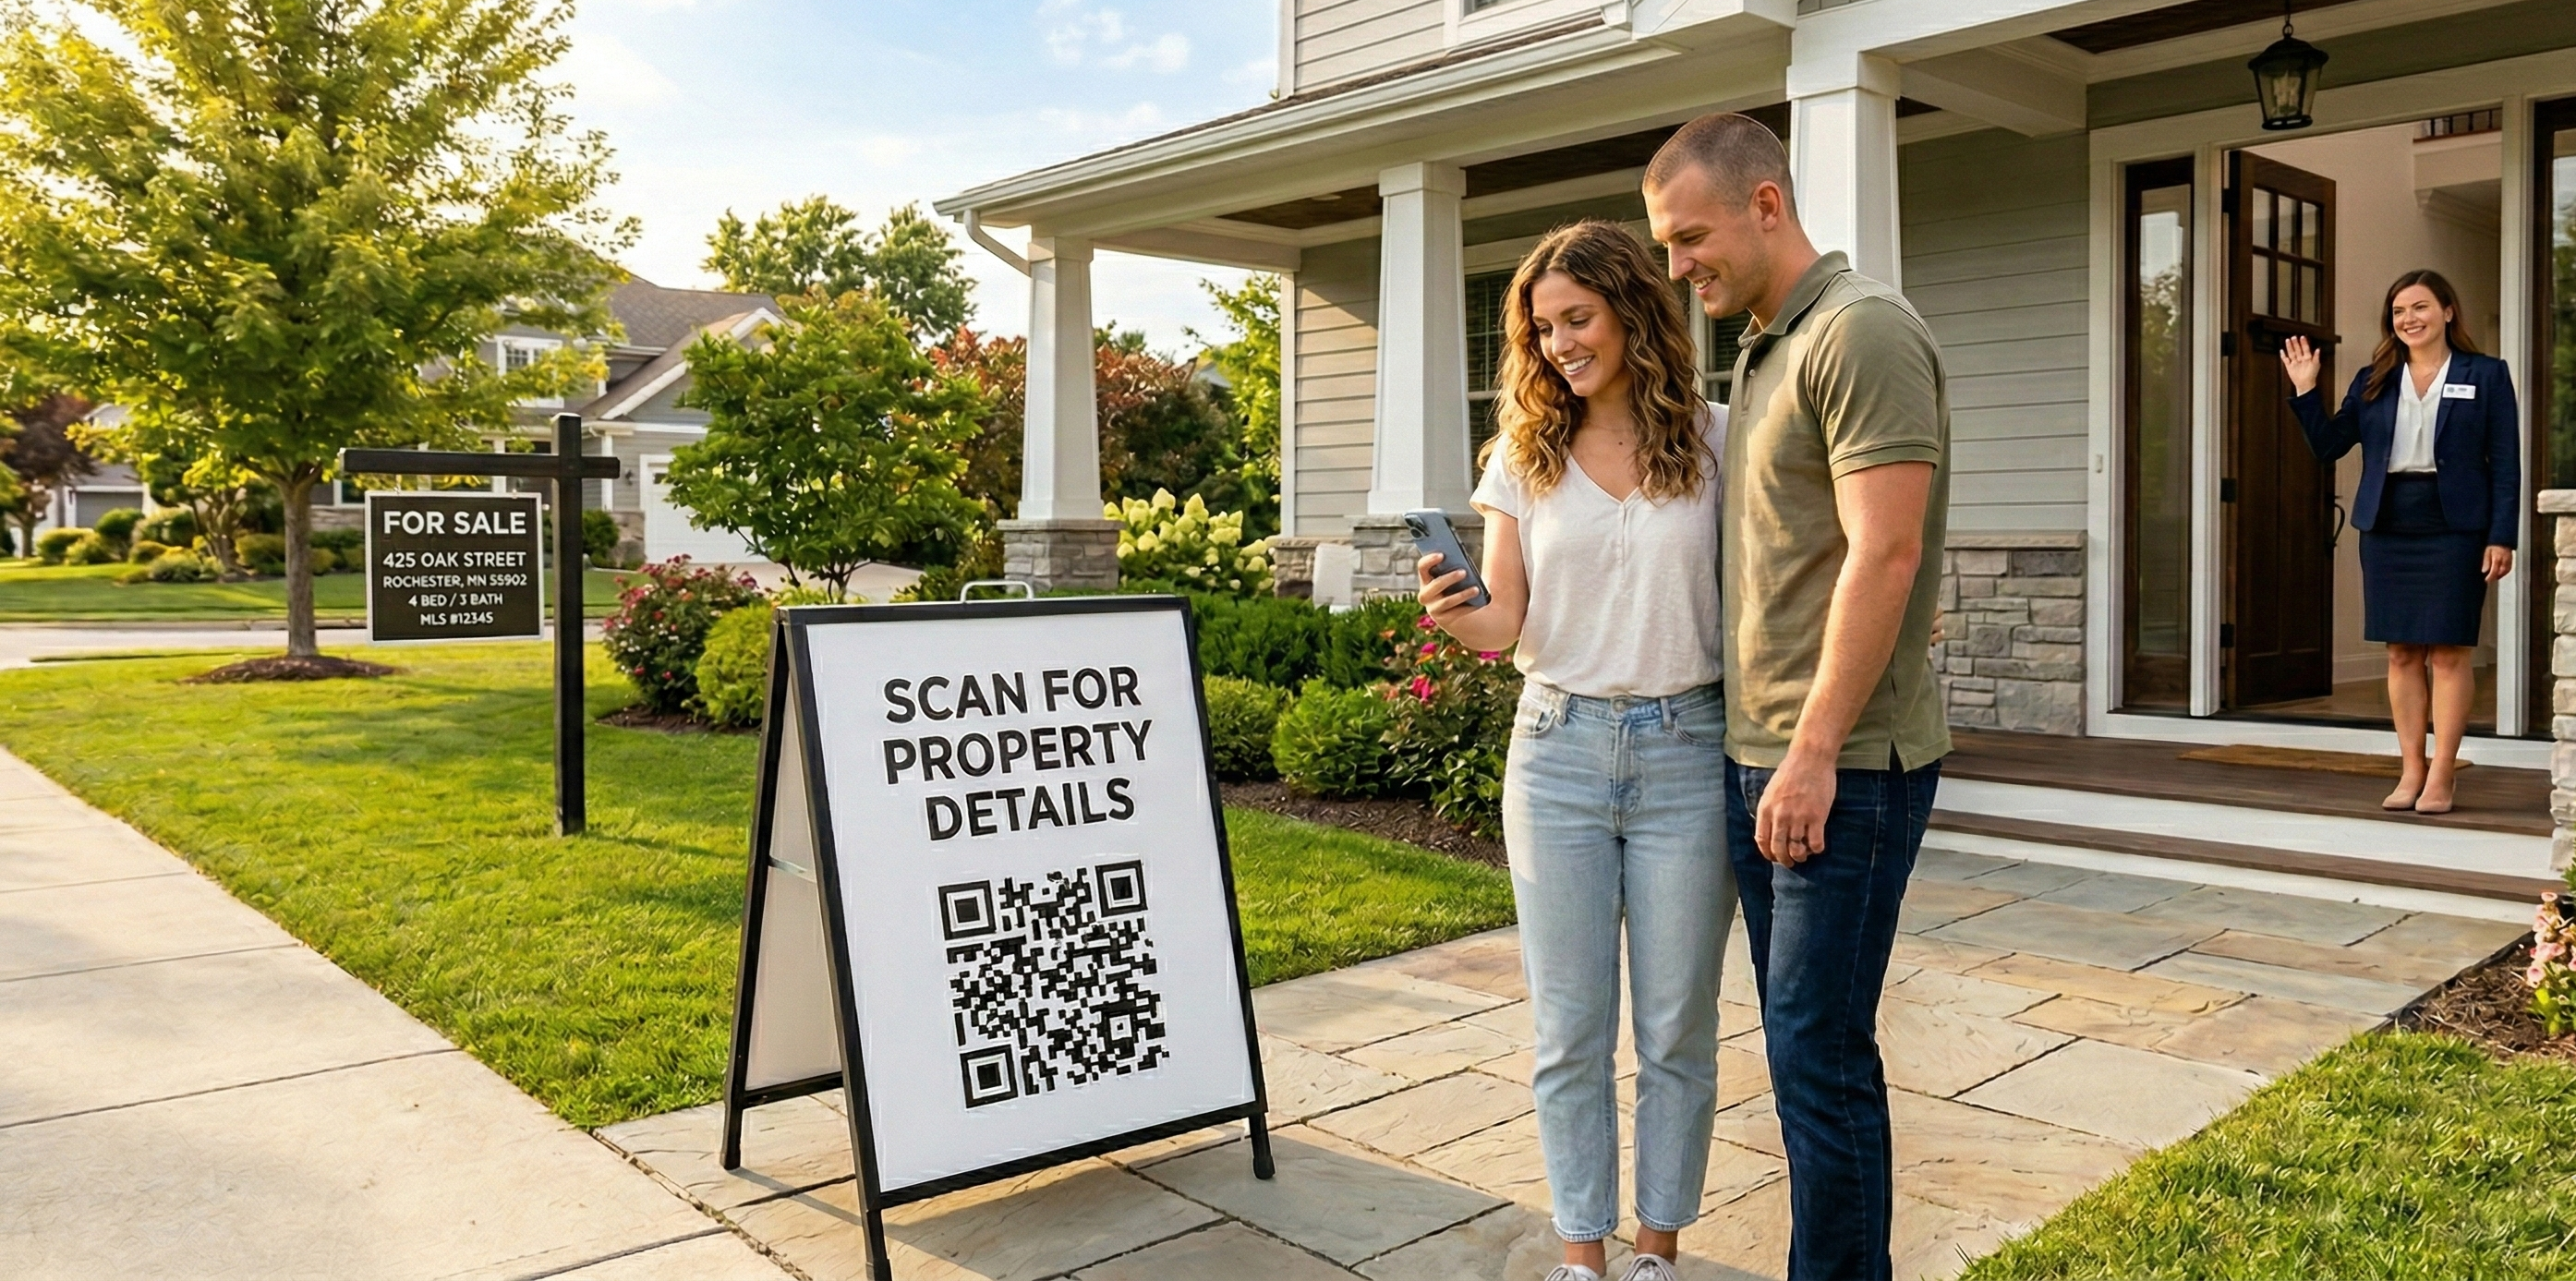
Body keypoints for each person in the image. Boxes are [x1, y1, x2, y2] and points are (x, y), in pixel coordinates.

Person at [1642, 113, 1951, 1281]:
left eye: (1690, 237)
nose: (1678, 264)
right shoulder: (1767, 343)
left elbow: (1886, 550)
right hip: (1760, 753)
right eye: (1666, 246)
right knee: (1799, 1051)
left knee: (1819, 1058)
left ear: (1764, 203)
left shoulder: (1859, 329)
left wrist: (1812, 751)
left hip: (1841, 763)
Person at [1414, 219, 1730, 1281]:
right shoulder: (1523, 454)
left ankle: (1656, 1253)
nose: (1558, 344)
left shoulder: (1716, 439)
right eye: (1543, 328)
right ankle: (1581, 1256)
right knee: (1568, 1027)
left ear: (1632, 311)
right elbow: (1503, 622)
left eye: (1576, 318)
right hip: (1555, 751)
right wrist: (1454, 610)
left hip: (1688, 751)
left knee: (1676, 1026)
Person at [2283, 272, 2517, 815]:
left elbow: (2506, 462)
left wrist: (2501, 535)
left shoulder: (2486, 374)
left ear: (2448, 311)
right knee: (2401, 651)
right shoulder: (2374, 378)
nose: (2409, 319)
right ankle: (2411, 769)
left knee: (2449, 651)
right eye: (2398, 311)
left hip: (2456, 526)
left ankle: (2443, 774)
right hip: (2389, 524)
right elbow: (2329, 446)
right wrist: (2305, 389)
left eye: (2420, 307)